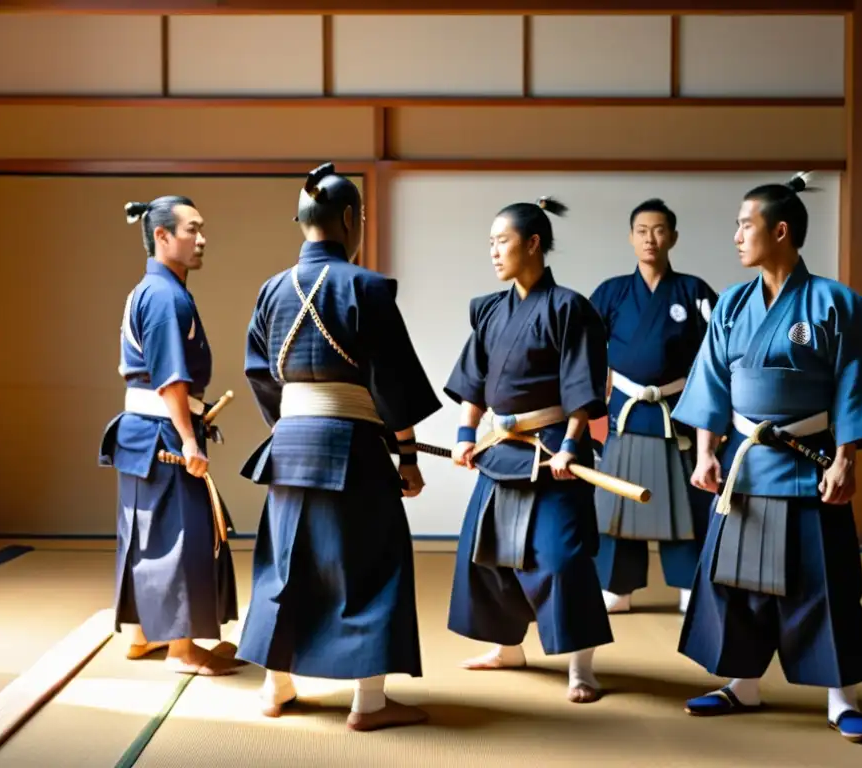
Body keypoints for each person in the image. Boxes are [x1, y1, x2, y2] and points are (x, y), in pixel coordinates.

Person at [671, 173, 862, 743]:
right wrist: (705, 452)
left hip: (810, 462)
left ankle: (841, 698)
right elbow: (711, 385)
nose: (736, 237)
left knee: (825, 583)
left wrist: (846, 460)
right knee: (736, 582)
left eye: (745, 225)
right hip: (745, 469)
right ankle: (744, 683)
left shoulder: (836, 304)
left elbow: (855, 389)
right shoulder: (730, 303)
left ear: (781, 230)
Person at [234, 163, 442, 732]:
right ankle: (368, 703)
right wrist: (408, 455)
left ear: (302, 222)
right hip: (352, 447)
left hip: (290, 444)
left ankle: (276, 689)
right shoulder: (366, 288)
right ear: (351, 219)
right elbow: (391, 379)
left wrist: (288, 426)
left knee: (284, 564)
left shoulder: (271, 289)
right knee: (373, 564)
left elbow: (259, 373)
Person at [445, 197, 613, 704]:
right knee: (485, 553)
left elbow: (585, 388)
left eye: (502, 241)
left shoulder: (569, 308)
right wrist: (464, 437)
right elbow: (473, 384)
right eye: (491, 243)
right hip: (501, 451)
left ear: (533, 243)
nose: (494, 252)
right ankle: (507, 648)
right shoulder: (491, 310)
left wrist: (569, 447)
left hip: (552, 453)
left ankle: (581, 667)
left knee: (562, 559)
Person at [99, 195, 241, 676]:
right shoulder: (163, 295)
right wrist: (190, 440)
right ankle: (180, 649)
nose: (201, 239)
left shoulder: (156, 289)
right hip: (162, 427)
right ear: (162, 236)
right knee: (177, 535)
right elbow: (170, 379)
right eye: (191, 230)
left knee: (146, 534)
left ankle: (141, 636)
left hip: (144, 431)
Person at [589, 198, 719, 615]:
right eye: (642, 230)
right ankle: (617, 588)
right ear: (631, 238)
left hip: (678, 411)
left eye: (659, 230)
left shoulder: (693, 291)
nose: (651, 238)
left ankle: (688, 586)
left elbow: (717, 352)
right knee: (618, 504)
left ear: (673, 237)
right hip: (625, 411)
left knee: (684, 503)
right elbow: (586, 352)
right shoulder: (611, 292)